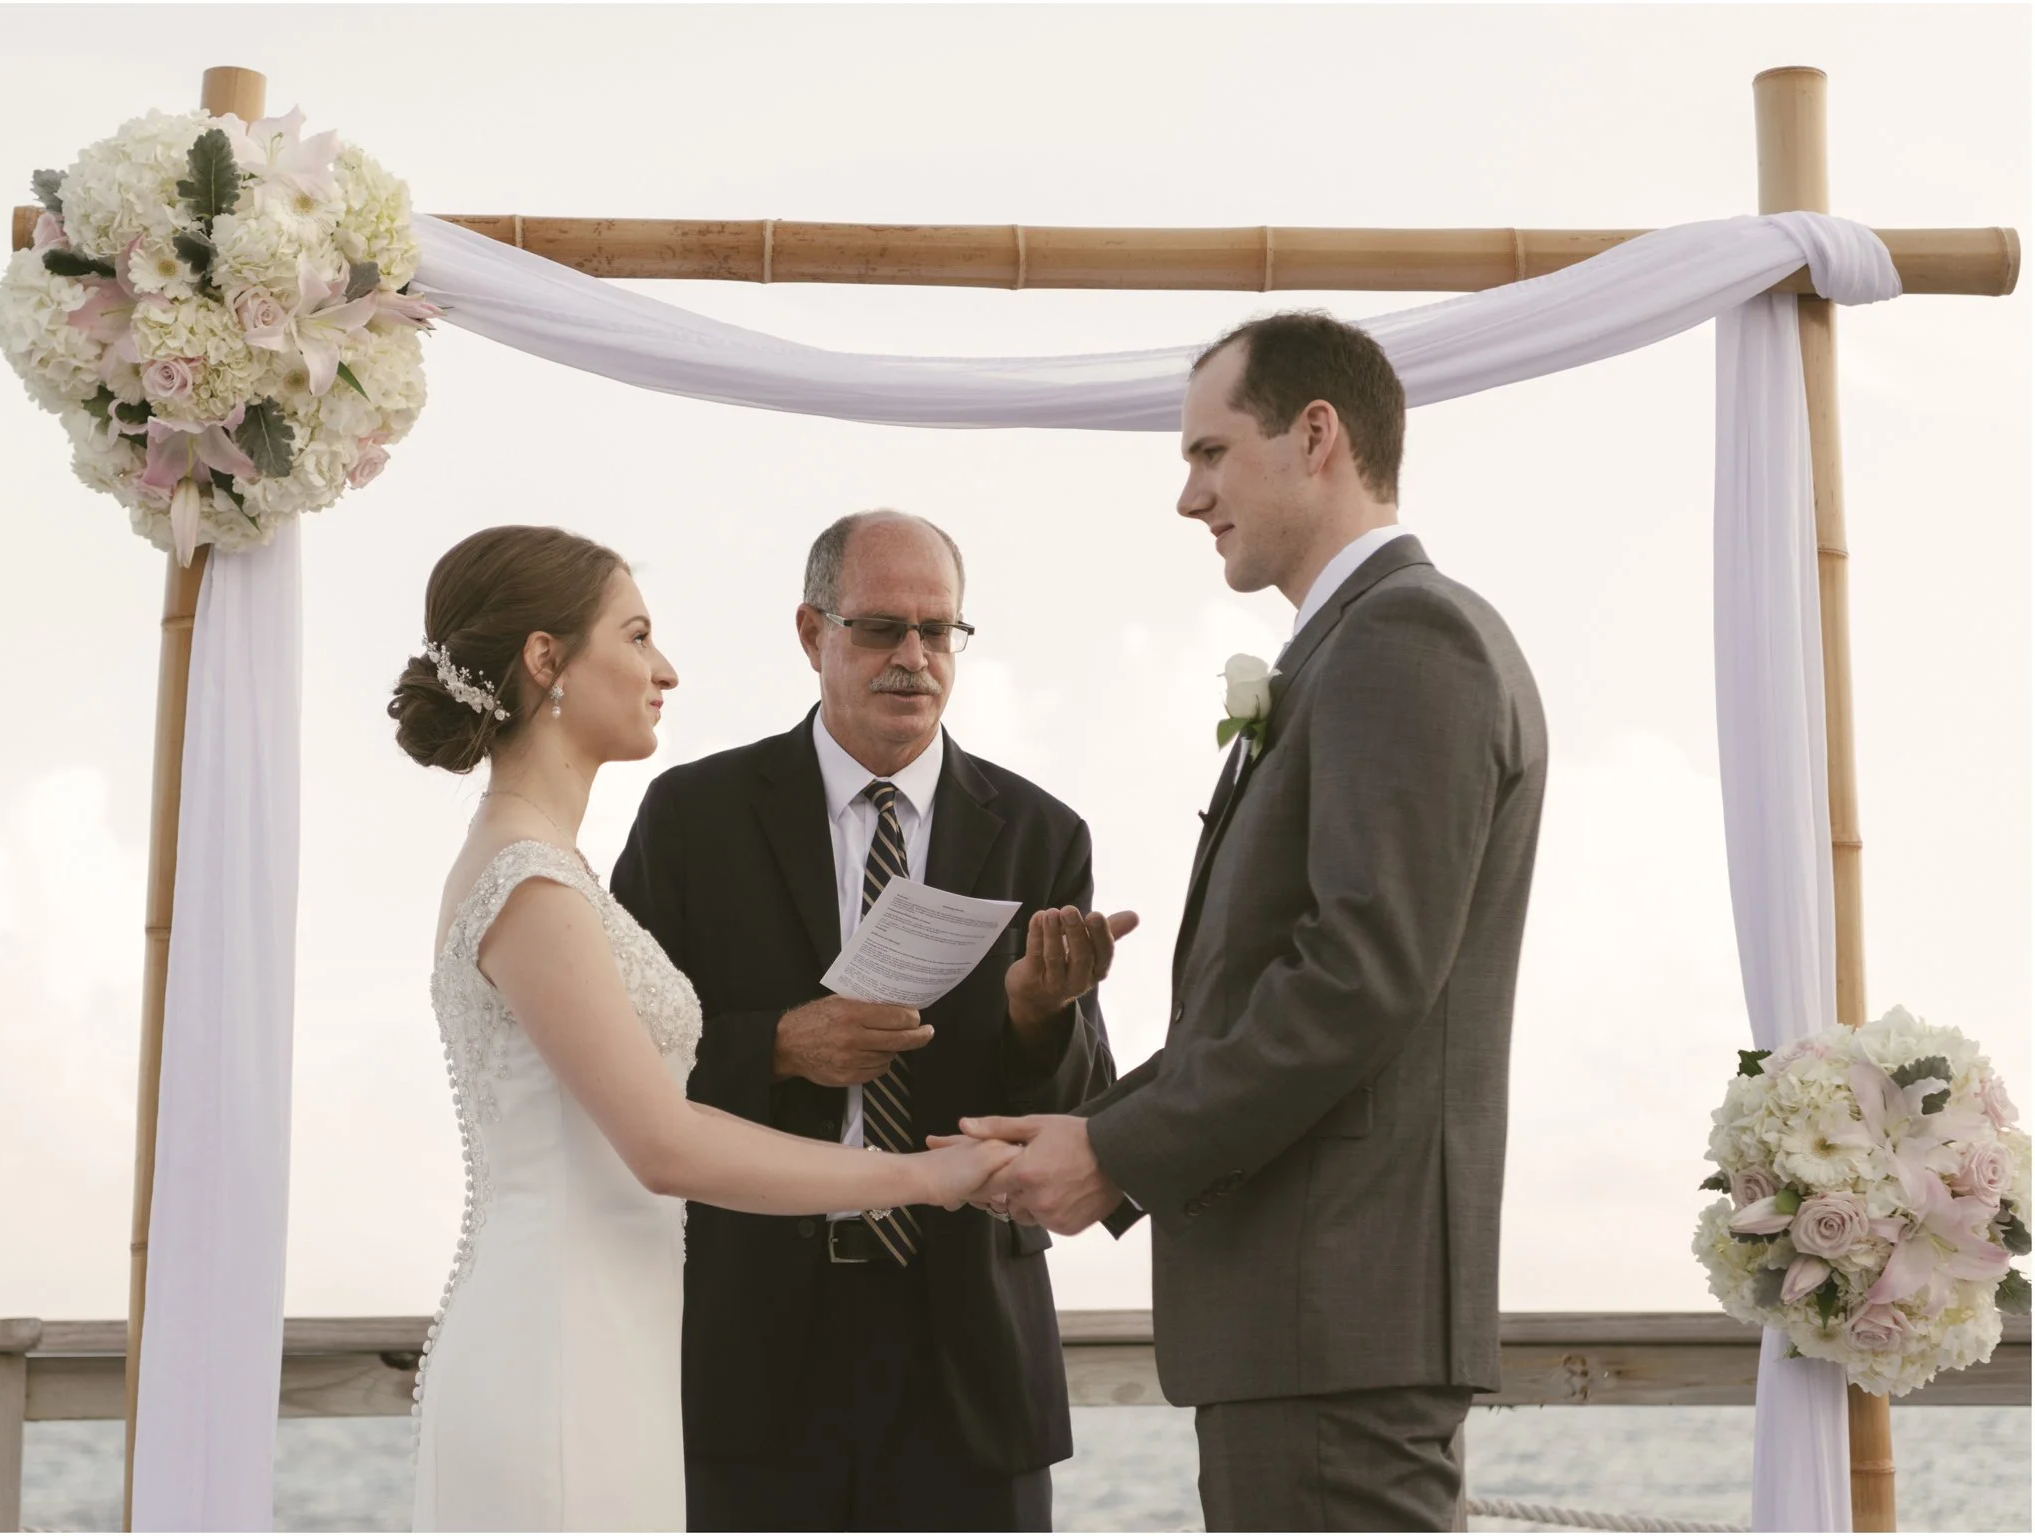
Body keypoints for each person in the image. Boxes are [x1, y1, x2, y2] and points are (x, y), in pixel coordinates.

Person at [962, 313, 1549, 1531]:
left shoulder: (1405, 636)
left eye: (1210, 453)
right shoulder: (1348, 646)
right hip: (1301, 1318)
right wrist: (1095, 1128)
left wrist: (1114, 1154)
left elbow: (1353, 978)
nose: (1189, 496)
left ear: (1315, 435)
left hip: (1334, 1311)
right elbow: (1279, 983)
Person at [390, 524, 1017, 1532]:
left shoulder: (547, 867)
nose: (665, 669)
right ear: (547, 661)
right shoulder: (527, 882)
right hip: (559, 1349)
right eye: (635, 637)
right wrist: (922, 1175)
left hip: (621, 1340)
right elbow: (662, 1143)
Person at [610, 510, 1137, 1532]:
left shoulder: (1040, 832)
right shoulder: (692, 816)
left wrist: (1036, 1021)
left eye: (936, 632)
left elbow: (1080, 1113)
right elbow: (618, 1063)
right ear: (812, 634)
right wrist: (772, 1046)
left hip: (969, 1357)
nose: (912, 658)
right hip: (751, 1347)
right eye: (879, 629)